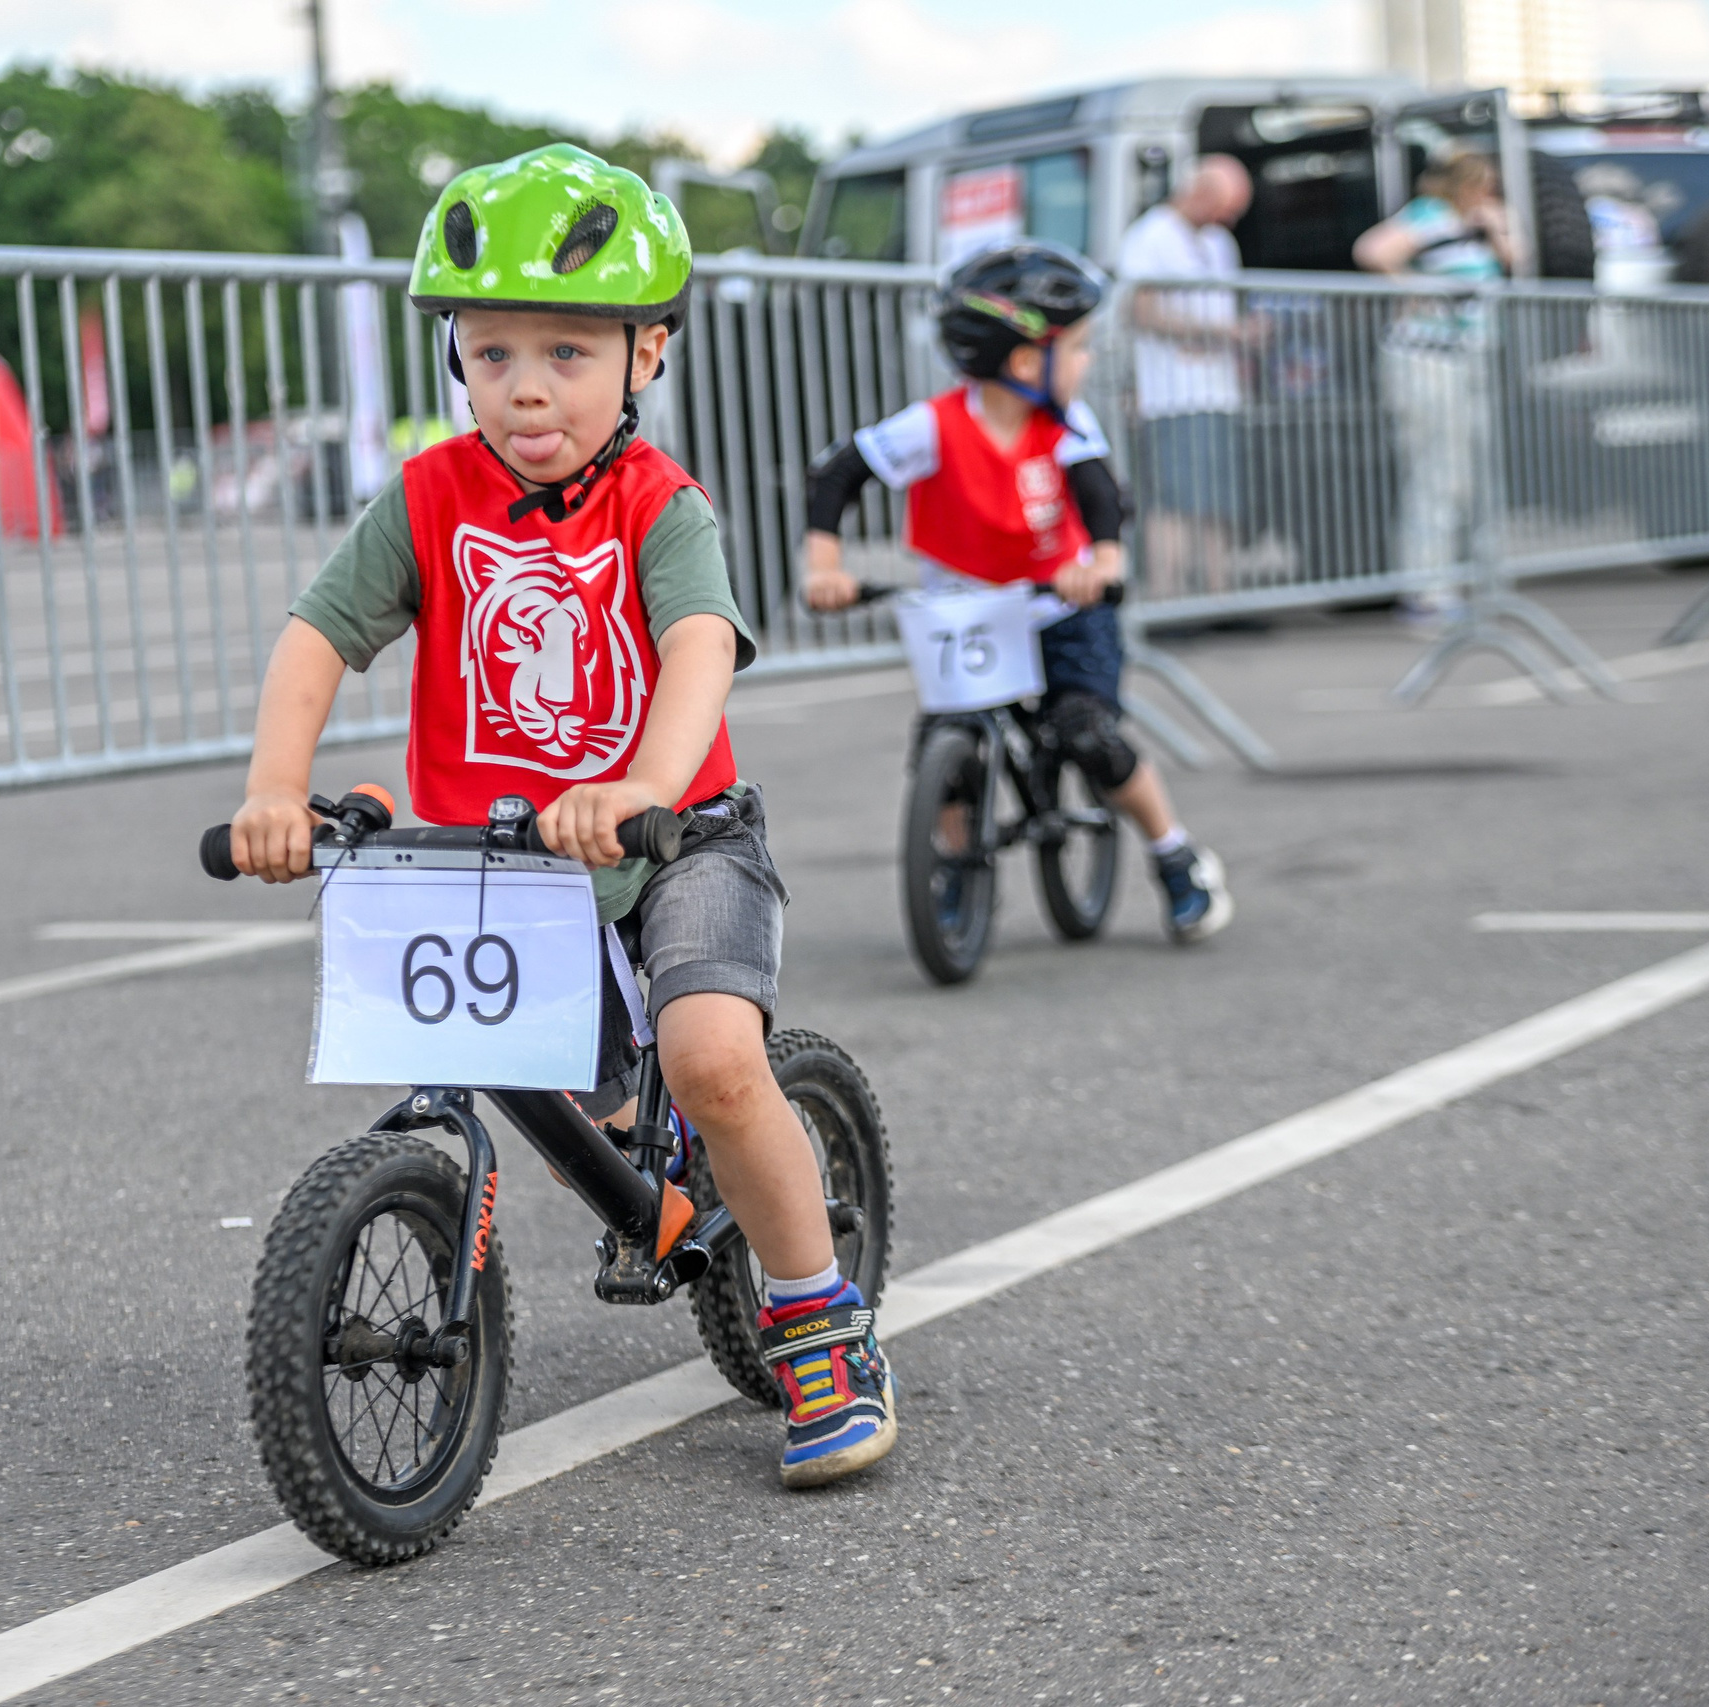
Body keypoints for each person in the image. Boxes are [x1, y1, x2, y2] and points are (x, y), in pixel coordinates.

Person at [226, 144, 896, 1490]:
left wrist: (646, 782)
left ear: (648, 355)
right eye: (491, 353)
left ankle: (821, 1319)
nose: (526, 385)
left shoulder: (662, 503)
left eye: (570, 352)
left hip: (676, 838)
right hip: (505, 863)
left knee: (710, 1059)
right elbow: (317, 636)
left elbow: (700, 644)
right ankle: (635, 1196)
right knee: (551, 1083)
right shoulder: (426, 499)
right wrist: (269, 787)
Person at [801, 242, 1234, 944]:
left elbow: (1101, 496)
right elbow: (837, 476)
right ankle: (953, 869)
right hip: (970, 618)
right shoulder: (934, 425)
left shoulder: (1066, 424)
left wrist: (1104, 560)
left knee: (1089, 733)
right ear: (1028, 360)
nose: (1087, 362)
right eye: (1081, 347)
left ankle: (1175, 853)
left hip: (1060, 610)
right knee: (946, 743)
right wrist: (824, 567)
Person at [1355, 151, 1512, 612]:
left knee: (1465, 477)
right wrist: (1413, 289)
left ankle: (1463, 577)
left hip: (1467, 361)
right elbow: (1372, 251)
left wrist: (1496, 224)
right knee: (1435, 475)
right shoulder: (1430, 216)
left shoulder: (1477, 225)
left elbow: (1517, 257)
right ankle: (1427, 588)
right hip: (1426, 360)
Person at [1116, 155, 1254, 595]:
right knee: (1175, 502)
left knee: (1218, 502)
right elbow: (1141, 309)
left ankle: (1218, 594)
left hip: (1217, 391)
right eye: (1223, 207)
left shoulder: (1217, 243)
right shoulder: (1150, 237)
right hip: (1171, 393)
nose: (1226, 219)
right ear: (1199, 193)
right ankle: (1168, 594)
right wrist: (1216, 332)